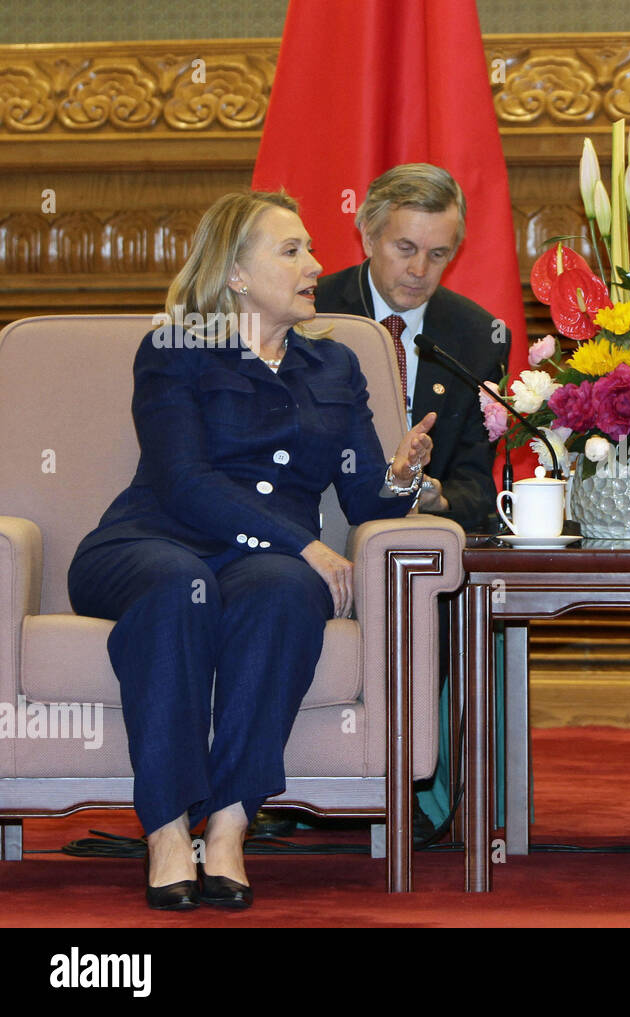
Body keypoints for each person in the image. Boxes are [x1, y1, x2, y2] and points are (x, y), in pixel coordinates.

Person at [67, 191, 440, 910]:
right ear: (236, 273)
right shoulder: (174, 350)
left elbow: (364, 504)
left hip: (262, 566)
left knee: (284, 590)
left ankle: (233, 822)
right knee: (179, 585)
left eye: (312, 249)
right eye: (292, 250)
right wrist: (303, 541)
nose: (317, 264)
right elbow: (182, 480)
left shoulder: (335, 366)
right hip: (150, 540)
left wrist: (401, 474)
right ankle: (169, 828)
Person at [314, 163, 510, 531]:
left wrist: (441, 498)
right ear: (369, 238)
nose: (420, 270)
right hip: (325, 522)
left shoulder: (479, 336)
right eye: (405, 248)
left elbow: (477, 483)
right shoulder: (314, 314)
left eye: (438, 254)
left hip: (427, 535)